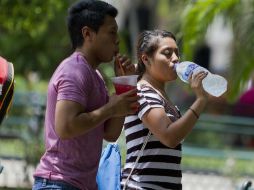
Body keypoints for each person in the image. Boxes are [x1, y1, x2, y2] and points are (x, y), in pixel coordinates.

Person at [32, 1, 139, 190]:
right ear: (87, 33)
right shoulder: (74, 71)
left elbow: (111, 133)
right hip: (58, 182)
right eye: (112, 32)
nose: (117, 40)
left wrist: (124, 85)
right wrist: (110, 108)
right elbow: (66, 127)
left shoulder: (95, 75)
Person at [121, 29, 208, 189]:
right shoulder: (143, 92)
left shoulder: (163, 99)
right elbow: (169, 136)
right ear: (146, 59)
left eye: (176, 53)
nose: (175, 59)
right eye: (167, 53)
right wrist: (201, 100)